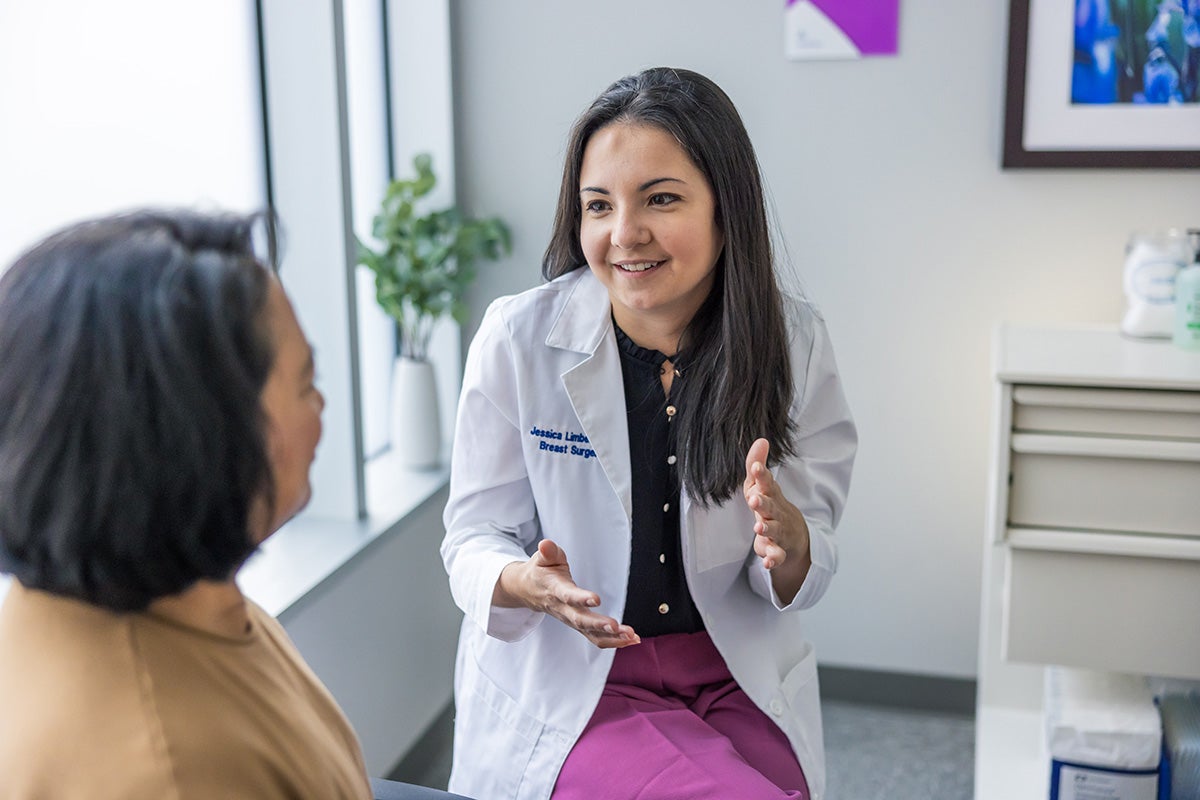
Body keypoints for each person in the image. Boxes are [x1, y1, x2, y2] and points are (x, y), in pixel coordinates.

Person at [441, 67, 857, 800]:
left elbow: (805, 560)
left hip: (731, 671)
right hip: (581, 681)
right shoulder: (519, 339)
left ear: (726, 209)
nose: (624, 234)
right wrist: (524, 582)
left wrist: (791, 545)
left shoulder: (794, 343)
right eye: (598, 205)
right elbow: (471, 537)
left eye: (660, 199)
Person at [0, 210, 469, 800]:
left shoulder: (170, 587)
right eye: (305, 383)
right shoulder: (169, 771)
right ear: (199, 438)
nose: (322, 406)